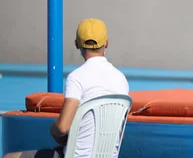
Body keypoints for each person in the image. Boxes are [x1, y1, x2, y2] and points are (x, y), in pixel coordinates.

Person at [3, 18, 130, 158]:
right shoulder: (121, 79)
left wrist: (53, 129)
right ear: (106, 43)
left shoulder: (76, 77)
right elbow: (120, 135)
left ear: (76, 44)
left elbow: (62, 127)